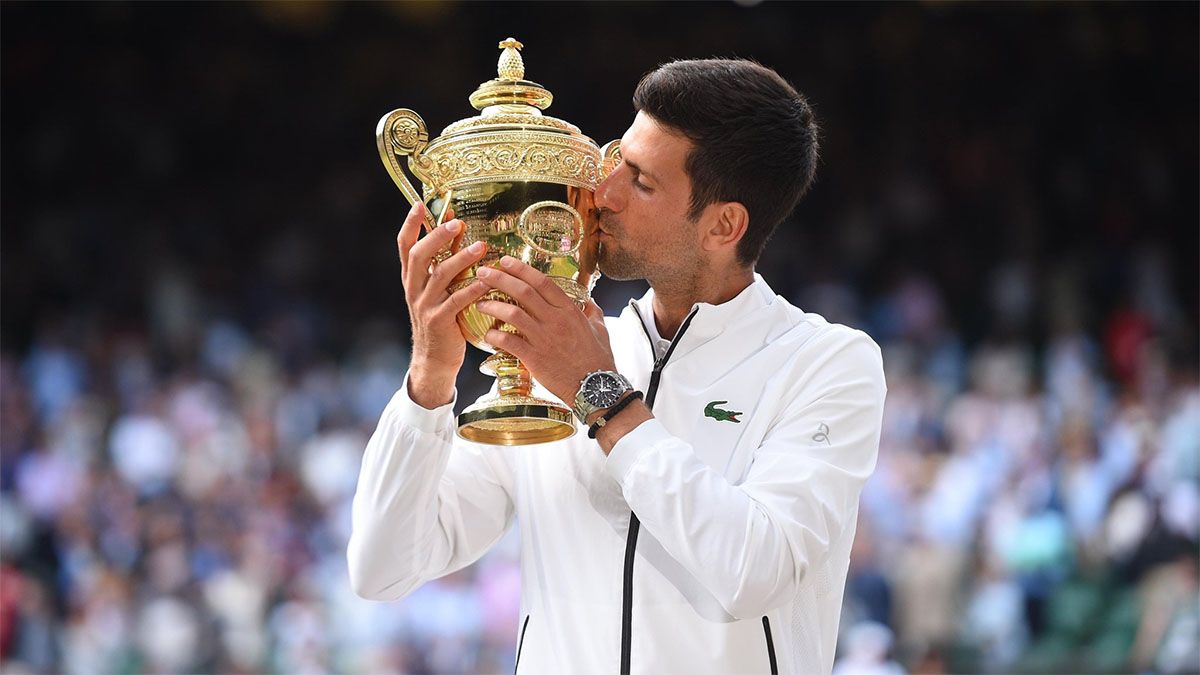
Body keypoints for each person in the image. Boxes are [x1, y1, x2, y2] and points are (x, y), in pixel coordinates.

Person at [348, 58, 887, 674]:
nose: (603, 194)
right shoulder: (553, 353)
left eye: (642, 182)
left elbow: (754, 571)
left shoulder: (827, 364)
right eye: (616, 160)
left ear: (723, 226)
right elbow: (381, 569)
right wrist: (430, 376)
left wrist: (598, 396)